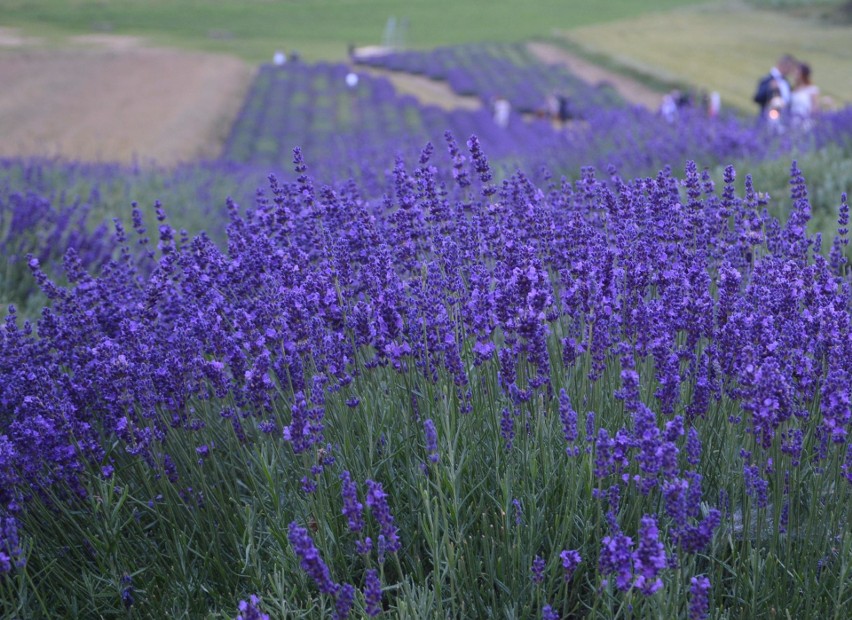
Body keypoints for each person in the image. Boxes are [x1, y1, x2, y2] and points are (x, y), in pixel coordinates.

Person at [754, 54, 796, 121]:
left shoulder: (786, 82)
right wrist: (768, 88)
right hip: (767, 118)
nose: (789, 71)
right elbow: (757, 98)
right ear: (782, 65)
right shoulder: (767, 79)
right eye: (789, 67)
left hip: (783, 120)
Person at [789, 62, 820, 128]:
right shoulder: (793, 89)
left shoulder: (812, 90)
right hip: (792, 121)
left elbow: (815, 108)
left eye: (797, 72)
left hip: (806, 122)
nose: (795, 74)